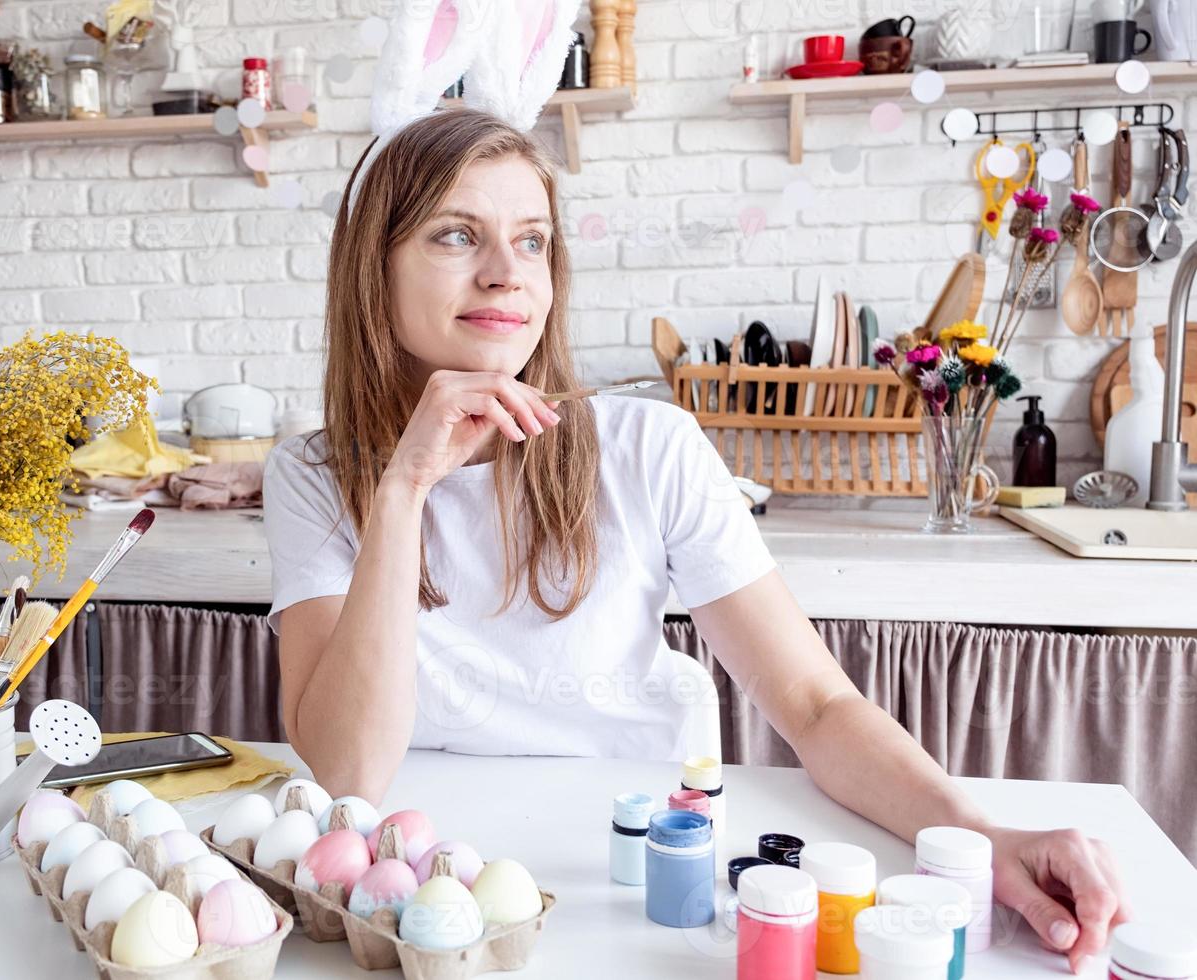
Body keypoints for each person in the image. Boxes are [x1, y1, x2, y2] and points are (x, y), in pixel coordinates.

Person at [262, 108, 1127, 974]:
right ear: (373, 273)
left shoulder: (649, 446)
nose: (505, 275)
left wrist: (976, 835)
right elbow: (347, 773)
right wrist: (404, 489)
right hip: (425, 877)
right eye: (457, 236)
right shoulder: (312, 472)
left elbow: (815, 707)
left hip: (629, 869)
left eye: (531, 242)